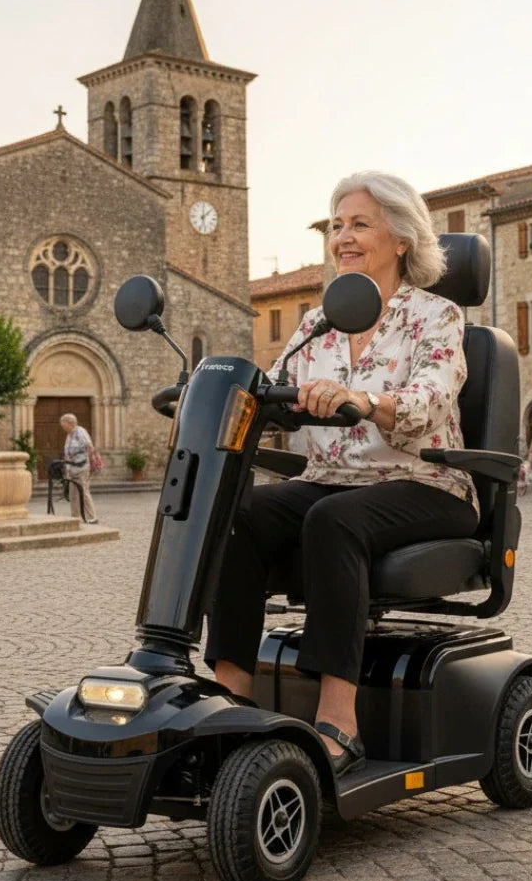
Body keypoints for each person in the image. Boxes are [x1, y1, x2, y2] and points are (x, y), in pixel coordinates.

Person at [204, 171, 479, 777]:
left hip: (427, 483)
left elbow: (431, 400)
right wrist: (220, 404)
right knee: (239, 513)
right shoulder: (316, 323)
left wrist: (363, 400)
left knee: (334, 520)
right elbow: (273, 394)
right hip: (332, 478)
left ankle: (339, 721)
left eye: (359, 224)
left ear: (401, 239)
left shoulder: (436, 316)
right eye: (336, 226)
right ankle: (229, 700)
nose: (342, 237)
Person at [59, 414, 98, 524]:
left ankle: (92, 516)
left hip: (82, 467)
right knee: (73, 494)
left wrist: (88, 463)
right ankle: (75, 517)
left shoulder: (80, 432)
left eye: (63, 424)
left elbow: (89, 447)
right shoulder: (69, 435)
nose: (62, 427)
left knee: (83, 492)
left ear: (70, 423)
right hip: (72, 468)